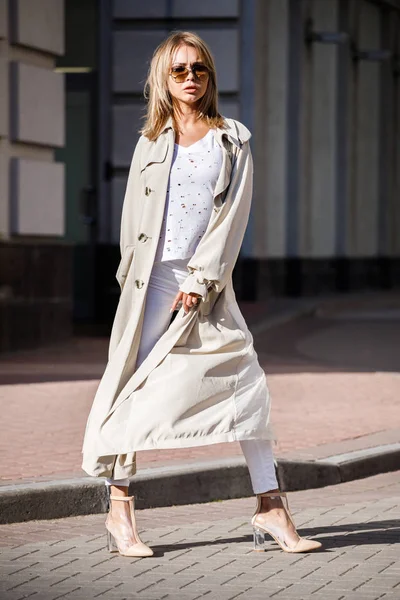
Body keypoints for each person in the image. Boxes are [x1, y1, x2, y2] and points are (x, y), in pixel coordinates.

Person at [81, 31, 322, 558]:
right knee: (130, 389)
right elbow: (131, 222)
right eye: (180, 70)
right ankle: (119, 508)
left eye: (200, 70)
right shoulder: (150, 142)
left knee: (247, 383)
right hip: (151, 287)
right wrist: (130, 282)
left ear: (210, 77)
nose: (191, 78)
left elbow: (233, 219)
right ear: (163, 79)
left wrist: (201, 280)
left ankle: (271, 507)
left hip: (205, 286)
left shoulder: (232, 139)